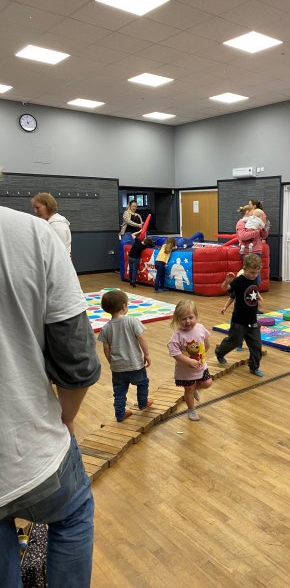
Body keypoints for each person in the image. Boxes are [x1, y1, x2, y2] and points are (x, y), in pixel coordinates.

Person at [0, 206, 101, 588]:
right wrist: (68, 416)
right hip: (29, 447)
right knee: (72, 514)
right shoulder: (32, 233)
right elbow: (77, 360)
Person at [98, 289, 153, 422]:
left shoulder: (105, 328)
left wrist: (111, 362)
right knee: (142, 383)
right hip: (135, 364)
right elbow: (141, 338)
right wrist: (147, 354)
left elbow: (106, 348)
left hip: (118, 368)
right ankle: (142, 403)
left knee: (119, 392)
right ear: (124, 306)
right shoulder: (132, 321)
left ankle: (120, 414)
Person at [215, 254, 264, 377]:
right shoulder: (239, 281)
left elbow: (254, 291)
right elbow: (223, 289)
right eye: (252, 272)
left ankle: (254, 367)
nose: (254, 275)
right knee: (234, 341)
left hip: (252, 320)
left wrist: (259, 298)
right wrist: (226, 282)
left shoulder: (254, 279)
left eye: (257, 273)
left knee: (257, 346)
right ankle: (219, 352)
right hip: (239, 321)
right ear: (244, 268)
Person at [167, 300, 212, 421]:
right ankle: (191, 409)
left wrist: (205, 349)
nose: (187, 321)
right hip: (186, 371)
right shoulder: (177, 335)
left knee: (207, 383)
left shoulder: (200, 328)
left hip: (201, 366)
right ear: (177, 320)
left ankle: (194, 389)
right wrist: (188, 361)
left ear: (196, 316)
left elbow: (206, 341)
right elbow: (175, 353)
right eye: (183, 319)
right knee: (189, 389)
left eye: (191, 317)